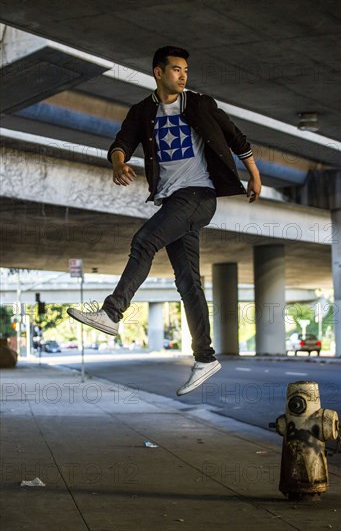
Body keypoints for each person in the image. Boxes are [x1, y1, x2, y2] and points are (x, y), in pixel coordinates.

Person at [67, 46, 262, 396]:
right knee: (188, 283)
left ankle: (112, 313)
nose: (183, 75)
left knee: (144, 241)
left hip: (199, 196)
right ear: (158, 73)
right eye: (175, 70)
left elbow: (235, 137)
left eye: (185, 69)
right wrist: (118, 163)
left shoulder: (200, 104)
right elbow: (121, 142)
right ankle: (205, 357)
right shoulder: (143, 112)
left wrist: (254, 174)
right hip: (174, 200)